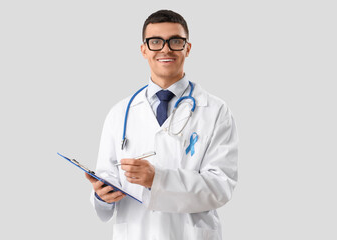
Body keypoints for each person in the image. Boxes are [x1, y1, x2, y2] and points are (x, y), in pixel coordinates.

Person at [85, 9, 238, 240]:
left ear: (187, 48)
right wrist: (102, 196)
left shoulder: (216, 111)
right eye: (156, 42)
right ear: (143, 49)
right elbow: (108, 179)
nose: (165, 49)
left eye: (175, 41)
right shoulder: (119, 114)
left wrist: (158, 180)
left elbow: (220, 187)